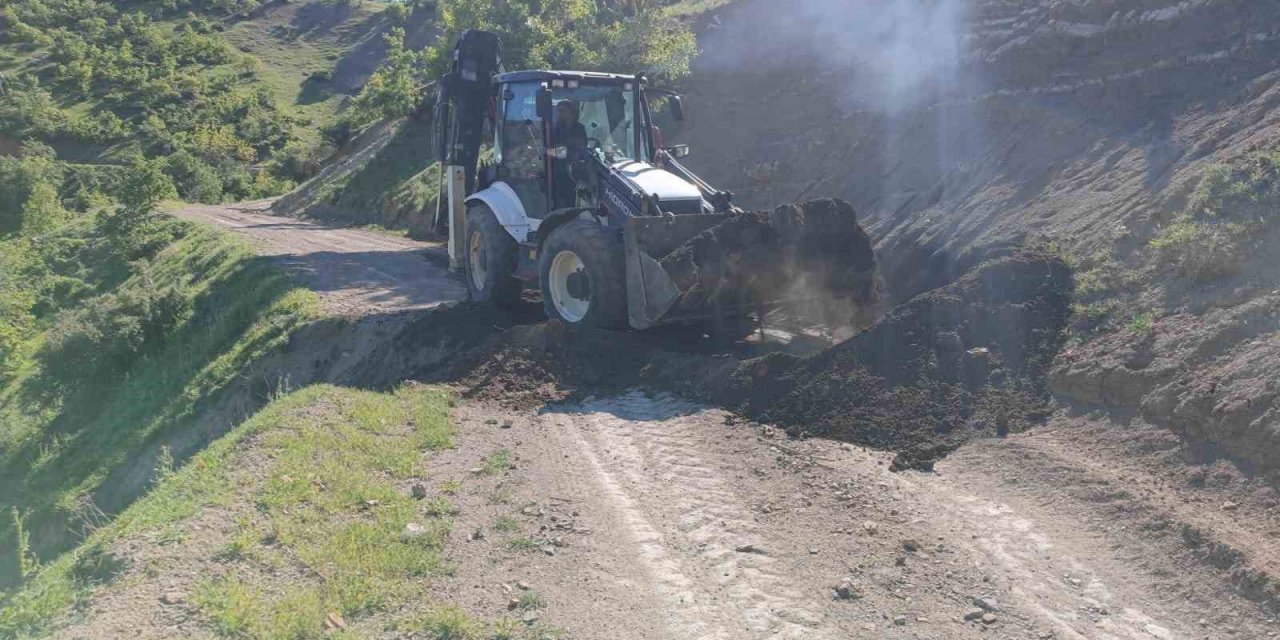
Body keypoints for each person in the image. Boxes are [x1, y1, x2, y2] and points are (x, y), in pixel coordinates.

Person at [551, 99, 588, 209]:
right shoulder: (553, 129)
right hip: (556, 171)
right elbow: (550, 150)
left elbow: (581, 147)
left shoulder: (579, 128)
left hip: (575, 171)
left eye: (562, 111)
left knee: (571, 201)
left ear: (570, 112)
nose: (558, 114)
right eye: (557, 111)